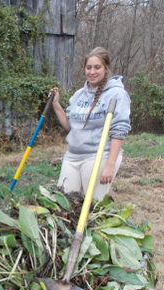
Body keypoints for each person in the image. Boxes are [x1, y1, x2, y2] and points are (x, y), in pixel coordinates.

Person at [51, 47, 131, 200]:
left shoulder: (116, 94)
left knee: (92, 205)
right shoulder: (78, 95)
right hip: (72, 156)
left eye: (97, 67)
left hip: (98, 156)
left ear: (106, 68)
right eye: (89, 67)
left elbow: (119, 130)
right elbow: (71, 127)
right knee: (64, 203)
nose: (92, 72)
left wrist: (110, 165)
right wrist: (56, 105)